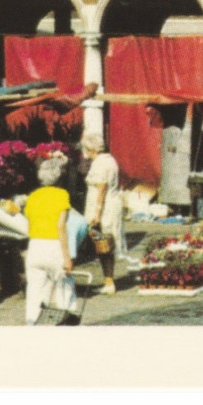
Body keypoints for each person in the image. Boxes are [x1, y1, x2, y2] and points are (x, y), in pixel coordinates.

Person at [22, 155, 75, 324]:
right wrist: (67, 257)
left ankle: (33, 325)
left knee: (35, 292)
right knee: (64, 290)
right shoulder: (62, 195)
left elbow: (29, 223)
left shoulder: (33, 196)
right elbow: (61, 227)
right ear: (60, 176)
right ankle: (66, 325)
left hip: (35, 245)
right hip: (54, 247)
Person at [81, 134, 123, 294]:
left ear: (90, 149)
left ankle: (109, 282)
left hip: (103, 208)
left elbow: (101, 189)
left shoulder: (99, 164)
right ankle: (108, 280)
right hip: (112, 205)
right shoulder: (110, 159)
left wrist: (97, 214)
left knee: (103, 243)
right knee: (105, 244)